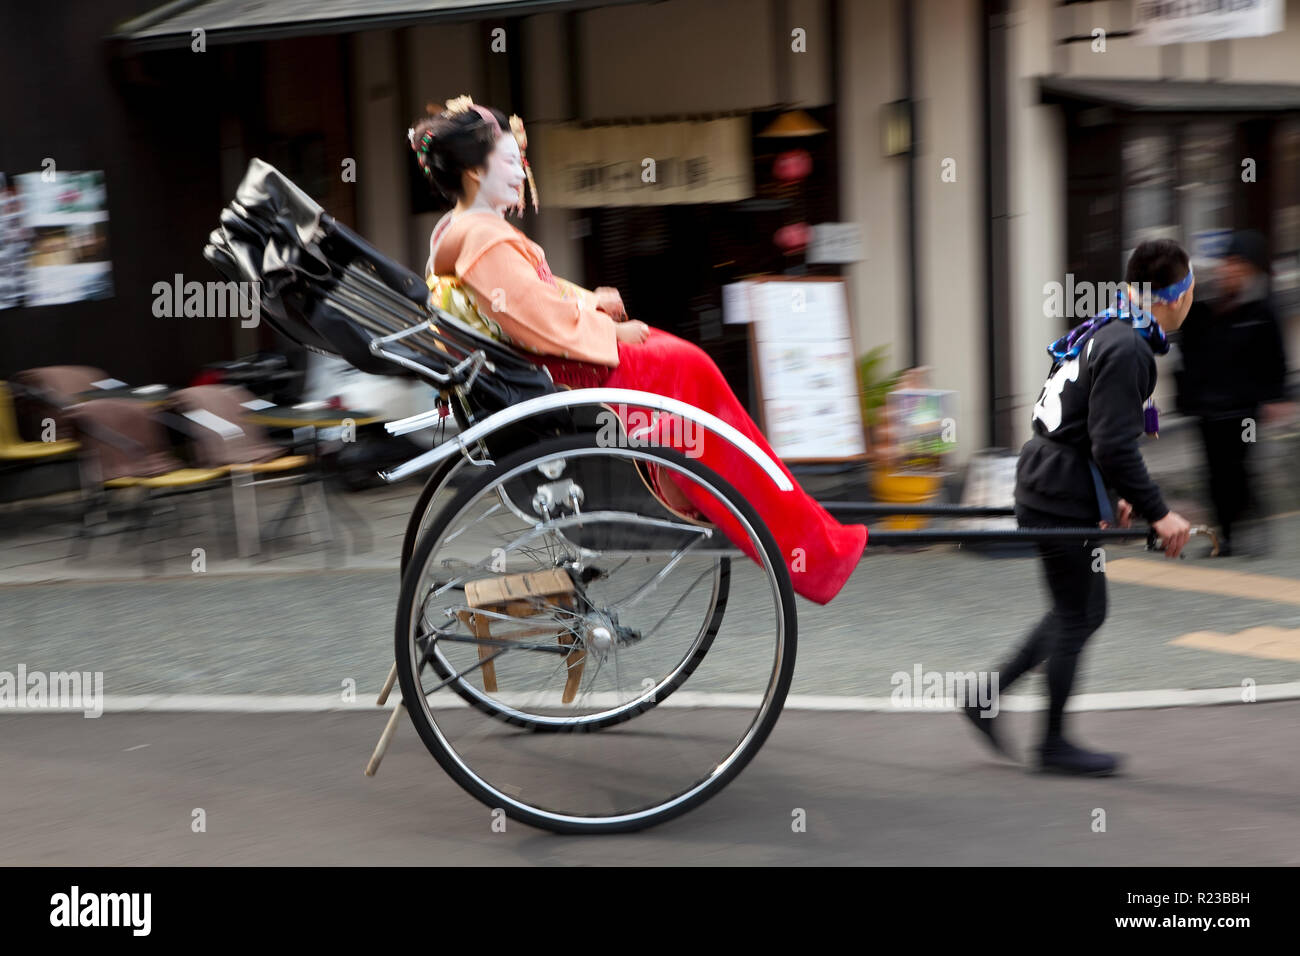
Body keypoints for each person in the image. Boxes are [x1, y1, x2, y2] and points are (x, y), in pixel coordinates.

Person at [408, 95, 867, 604]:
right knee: (692, 372)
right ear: (474, 171)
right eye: (512, 162)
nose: (522, 174)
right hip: (571, 370)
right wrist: (606, 331)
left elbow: (539, 298)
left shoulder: (466, 231)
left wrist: (590, 302)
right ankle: (787, 537)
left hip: (563, 362)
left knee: (693, 373)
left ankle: (751, 509)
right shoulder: (482, 238)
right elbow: (535, 319)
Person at [962, 239, 1196, 775]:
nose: (1192, 299)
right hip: (1058, 488)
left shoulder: (1110, 328)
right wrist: (1160, 512)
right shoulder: (1130, 348)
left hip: (1049, 478)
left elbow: (1086, 422)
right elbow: (1112, 444)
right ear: (1174, 296)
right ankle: (1051, 744)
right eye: (1191, 289)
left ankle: (987, 696)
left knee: (1077, 610)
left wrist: (1114, 494)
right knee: (1080, 613)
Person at [1176, 231, 1290, 556]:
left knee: (1239, 469)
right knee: (1213, 474)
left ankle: (1251, 524)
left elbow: (1275, 357)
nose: (1230, 271)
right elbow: (1187, 348)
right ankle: (1225, 538)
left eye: (1238, 265)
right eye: (1227, 264)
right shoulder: (1206, 306)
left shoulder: (1261, 310)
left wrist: (1275, 396)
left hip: (1244, 408)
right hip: (1207, 407)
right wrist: (1188, 394)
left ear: (1250, 270)